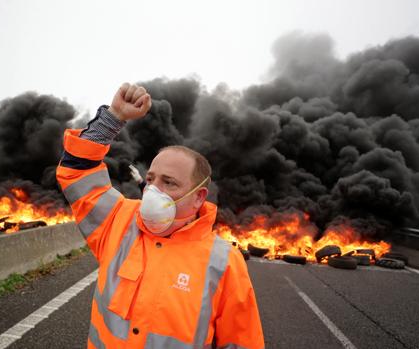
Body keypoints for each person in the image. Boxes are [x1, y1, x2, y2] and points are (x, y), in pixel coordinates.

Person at [56, 83, 265, 349]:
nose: (154, 190)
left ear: (199, 197)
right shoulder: (118, 220)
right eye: (152, 179)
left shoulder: (224, 263)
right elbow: (76, 171)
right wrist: (114, 117)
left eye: (170, 183)